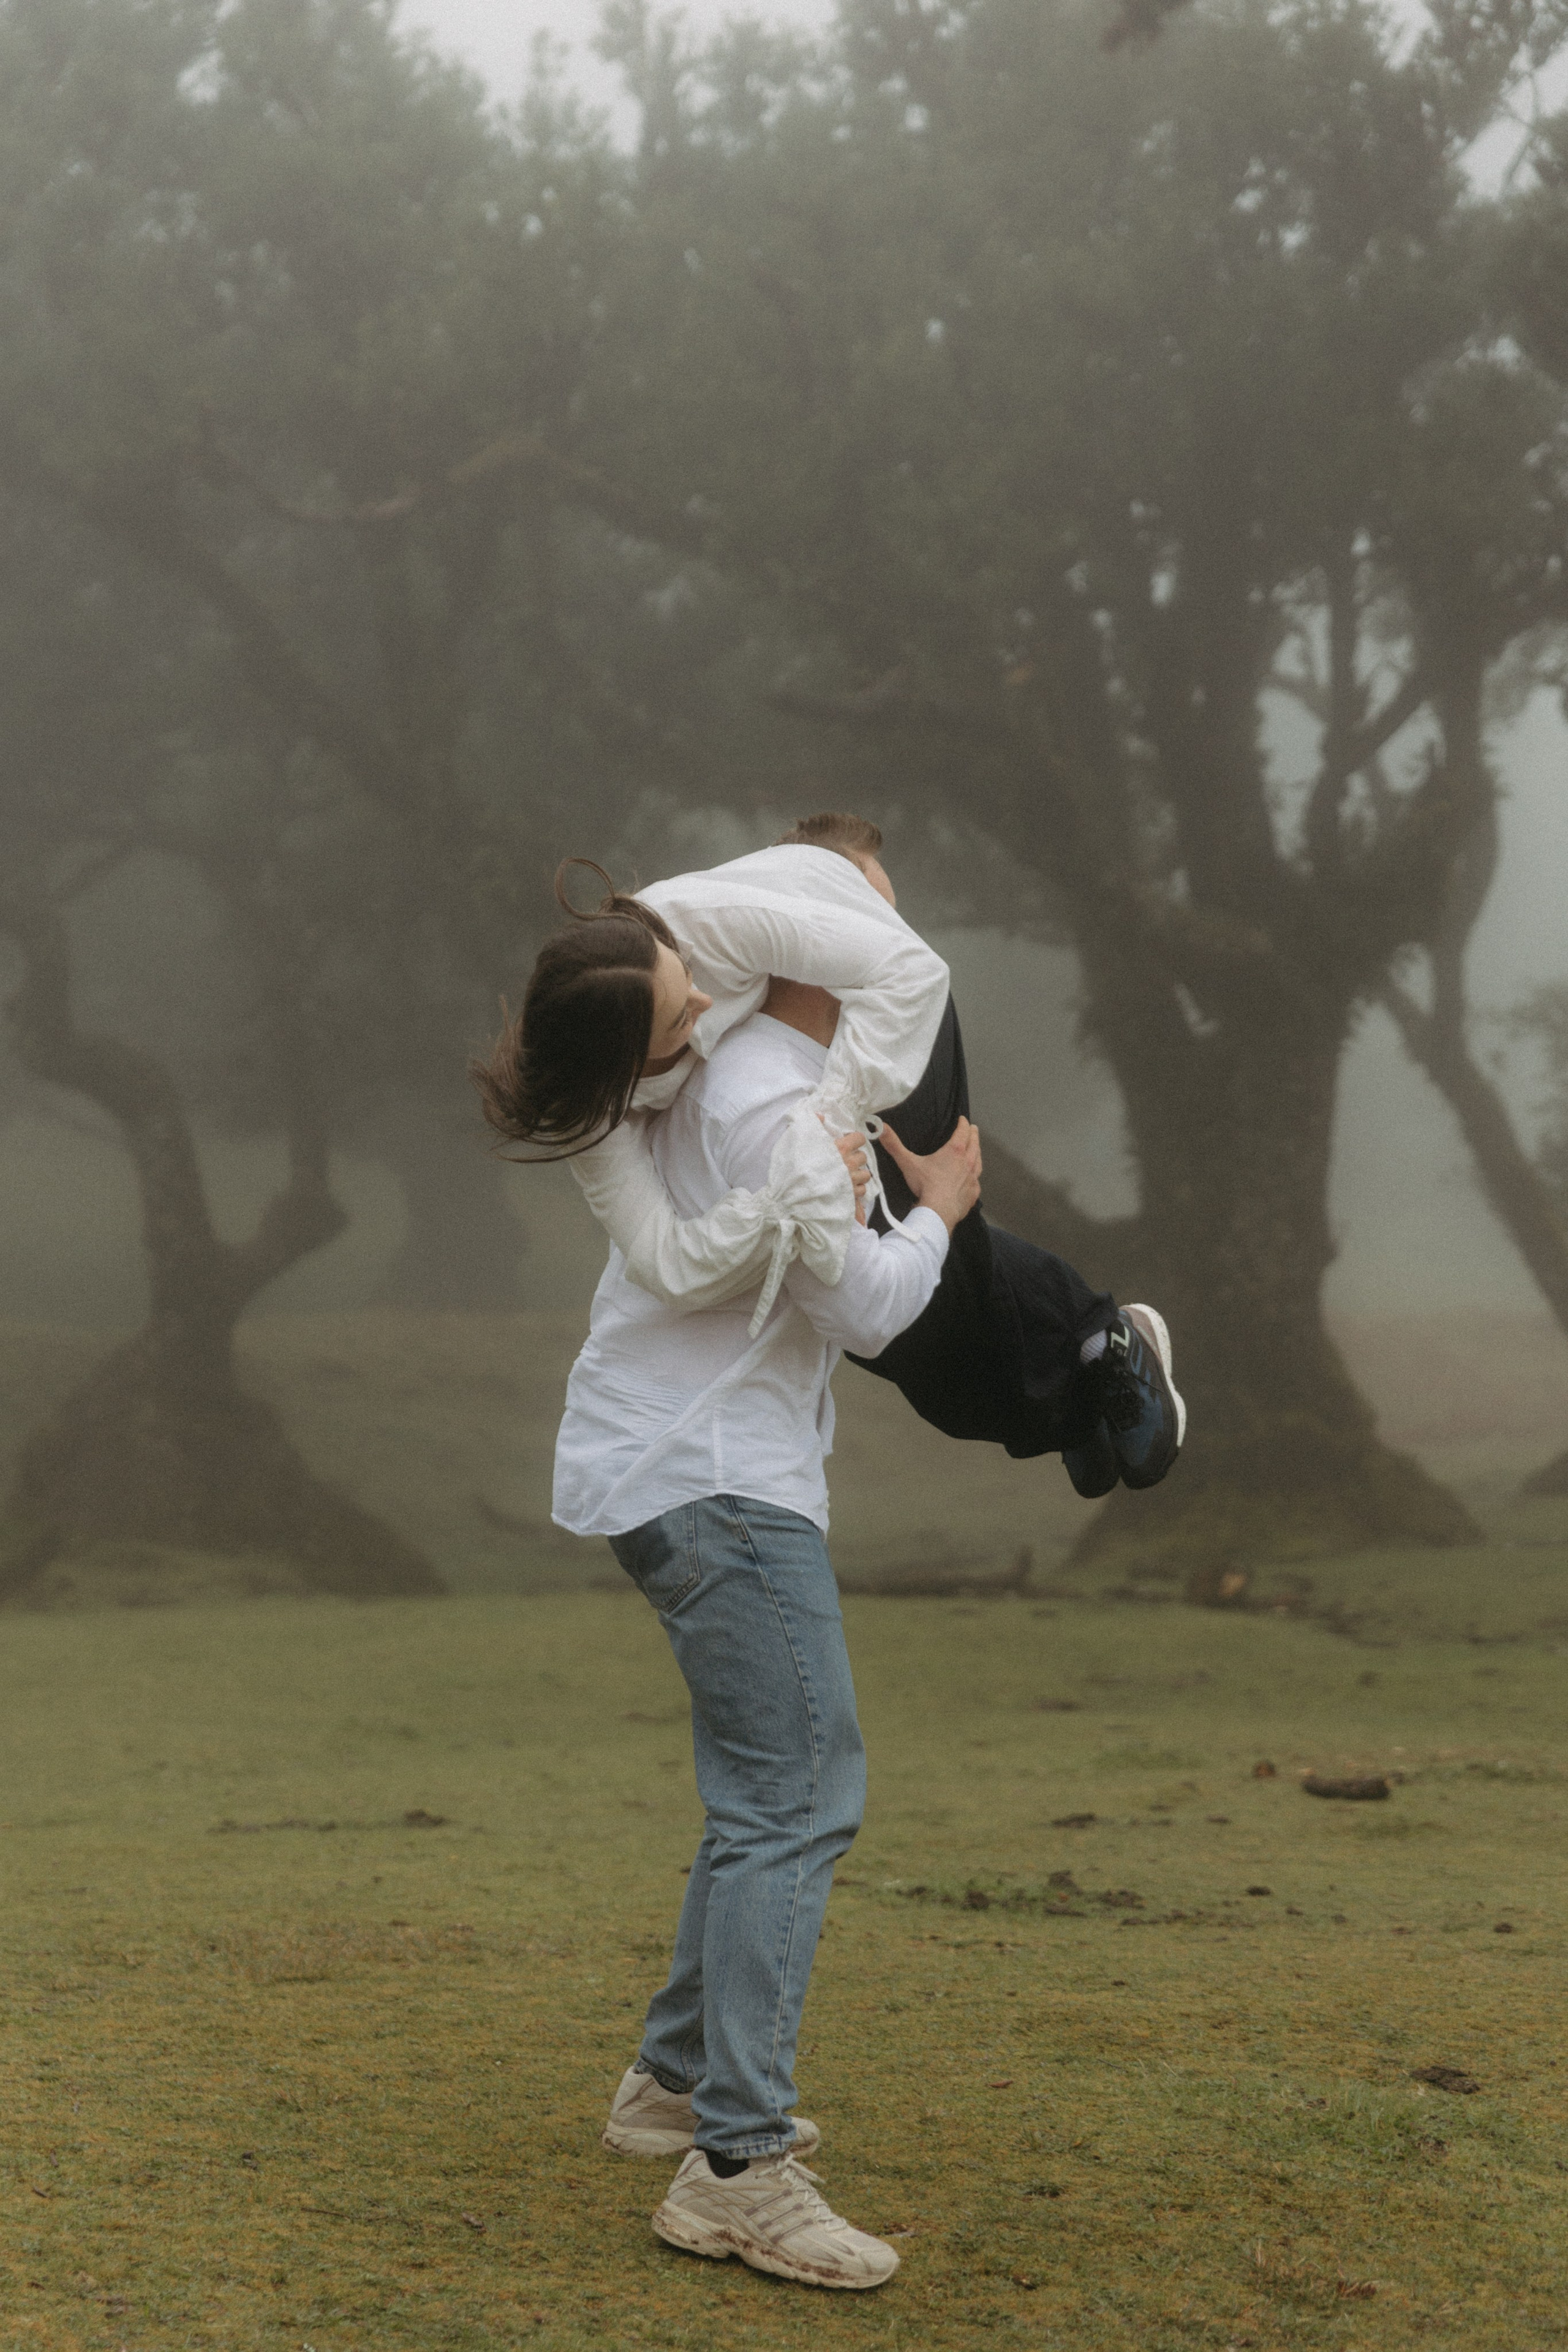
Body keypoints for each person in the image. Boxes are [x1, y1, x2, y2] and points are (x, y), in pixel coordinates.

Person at [551, 968, 984, 2287]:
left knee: (761, 1791)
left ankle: (675, 2086)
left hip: (680, 1470)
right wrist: (940, 1214)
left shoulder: (719, 1077)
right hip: (720, 1483)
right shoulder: (771, 1098)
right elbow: (863, 1306)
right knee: (797, 1796)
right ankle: (735, 2170)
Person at [473, 820, 1183, 1497]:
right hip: (793, 1073)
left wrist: (824, 1128)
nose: (703, 996)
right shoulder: (593, 1115)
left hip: (886, 1010)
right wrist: (780, 1208)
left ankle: (1098, 1345)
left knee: (916, 1273)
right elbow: (668, 1265)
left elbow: (911, 973)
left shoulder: (702, 921)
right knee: (881, 1317)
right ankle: (1081, 1389)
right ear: (622, 1062)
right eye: (680, 1016)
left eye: (684, 971)